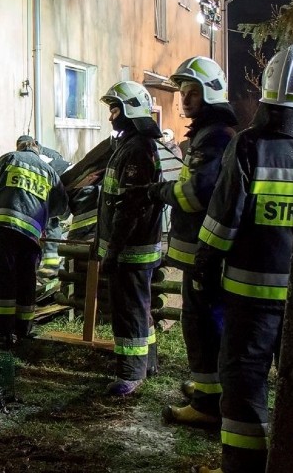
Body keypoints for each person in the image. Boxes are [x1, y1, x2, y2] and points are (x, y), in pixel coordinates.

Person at [191, 45, 293, 473]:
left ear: (266, 92)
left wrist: (205, 266)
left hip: (248, 299)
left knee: (244, 382)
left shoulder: (249, 146)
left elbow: (222, 222)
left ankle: (244, 466)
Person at [145, 56, 237, 426]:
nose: (185, 99)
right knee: (202, 322)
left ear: (211, 94)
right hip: (202, 250)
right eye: (183, 92)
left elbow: (197, 193)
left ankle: (208, 405)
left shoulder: (214, 137)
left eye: (193, 92)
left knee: (202, 325)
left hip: (205, 252)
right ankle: (209, 390)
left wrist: (161, 191)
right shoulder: (208, 133)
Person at [97, 80, 165, 396]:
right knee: (140, 306)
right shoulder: (131, 144)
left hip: (130, 249)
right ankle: (148, 362)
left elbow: (129, 208)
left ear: (131, 110)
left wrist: (112, 251)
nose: (111, 116)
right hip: (133, 248)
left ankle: (131, 373)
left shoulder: (137, 149)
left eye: (116, 109)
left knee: (129, 311)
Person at [0, 137, 67, 348]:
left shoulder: (9, 159)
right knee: (27, 278)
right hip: (30, 234)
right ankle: (23, 327)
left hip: (1, 228)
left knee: (3, 278)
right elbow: (60, 207)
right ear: (37, 148)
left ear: (19, 147)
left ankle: (2, 333)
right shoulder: (50, 171)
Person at [16, 135, 71, 279]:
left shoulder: (41, 158)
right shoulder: (48, 153)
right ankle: (50, 262)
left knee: (51, 223)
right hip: (62, 186)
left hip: (61, 188)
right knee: (49, 222)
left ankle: (52, 265)